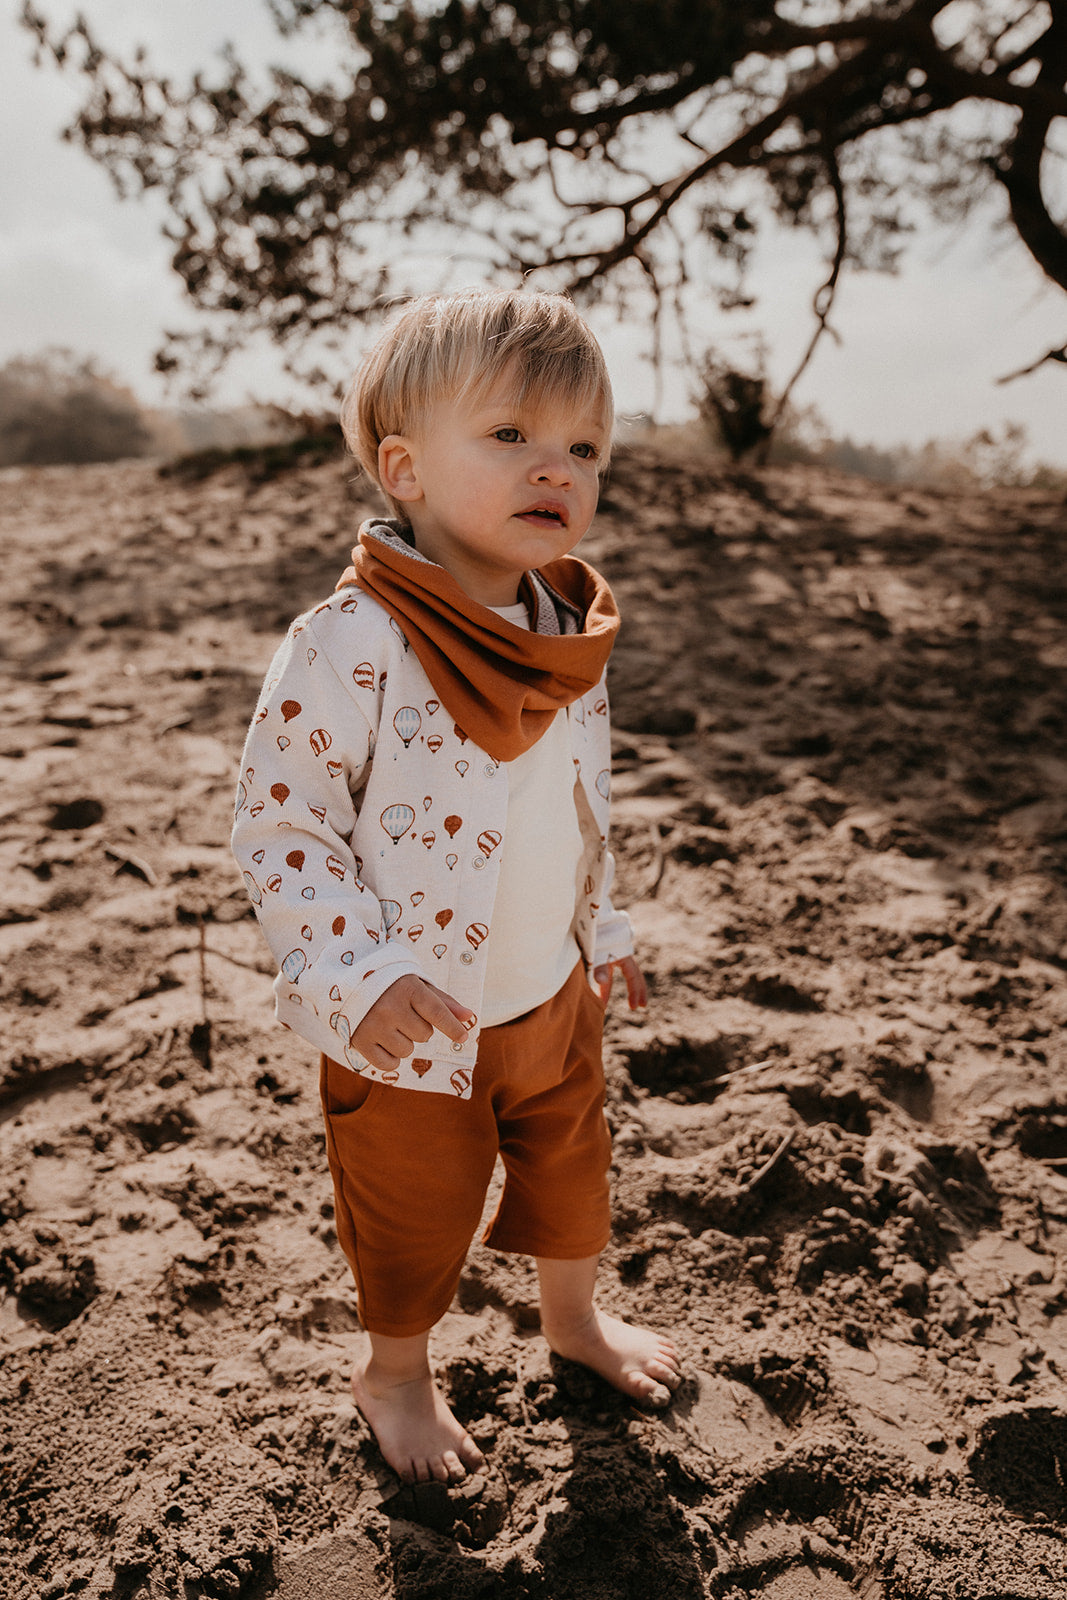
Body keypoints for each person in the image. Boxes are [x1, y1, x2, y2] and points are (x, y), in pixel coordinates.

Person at [232, 286, 680, 1487]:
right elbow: (284, 823)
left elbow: (577, 801)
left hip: (549, 991)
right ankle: (394, 1374)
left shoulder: (564, 632)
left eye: (584, 447)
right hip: (411, 1016)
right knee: (411, 1216)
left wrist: (603, 927)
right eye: (510, 434)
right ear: (405, 468)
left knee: (572, 1173)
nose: (556, 468)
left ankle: (572, 1321)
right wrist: (352, 973)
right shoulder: (351, 641)